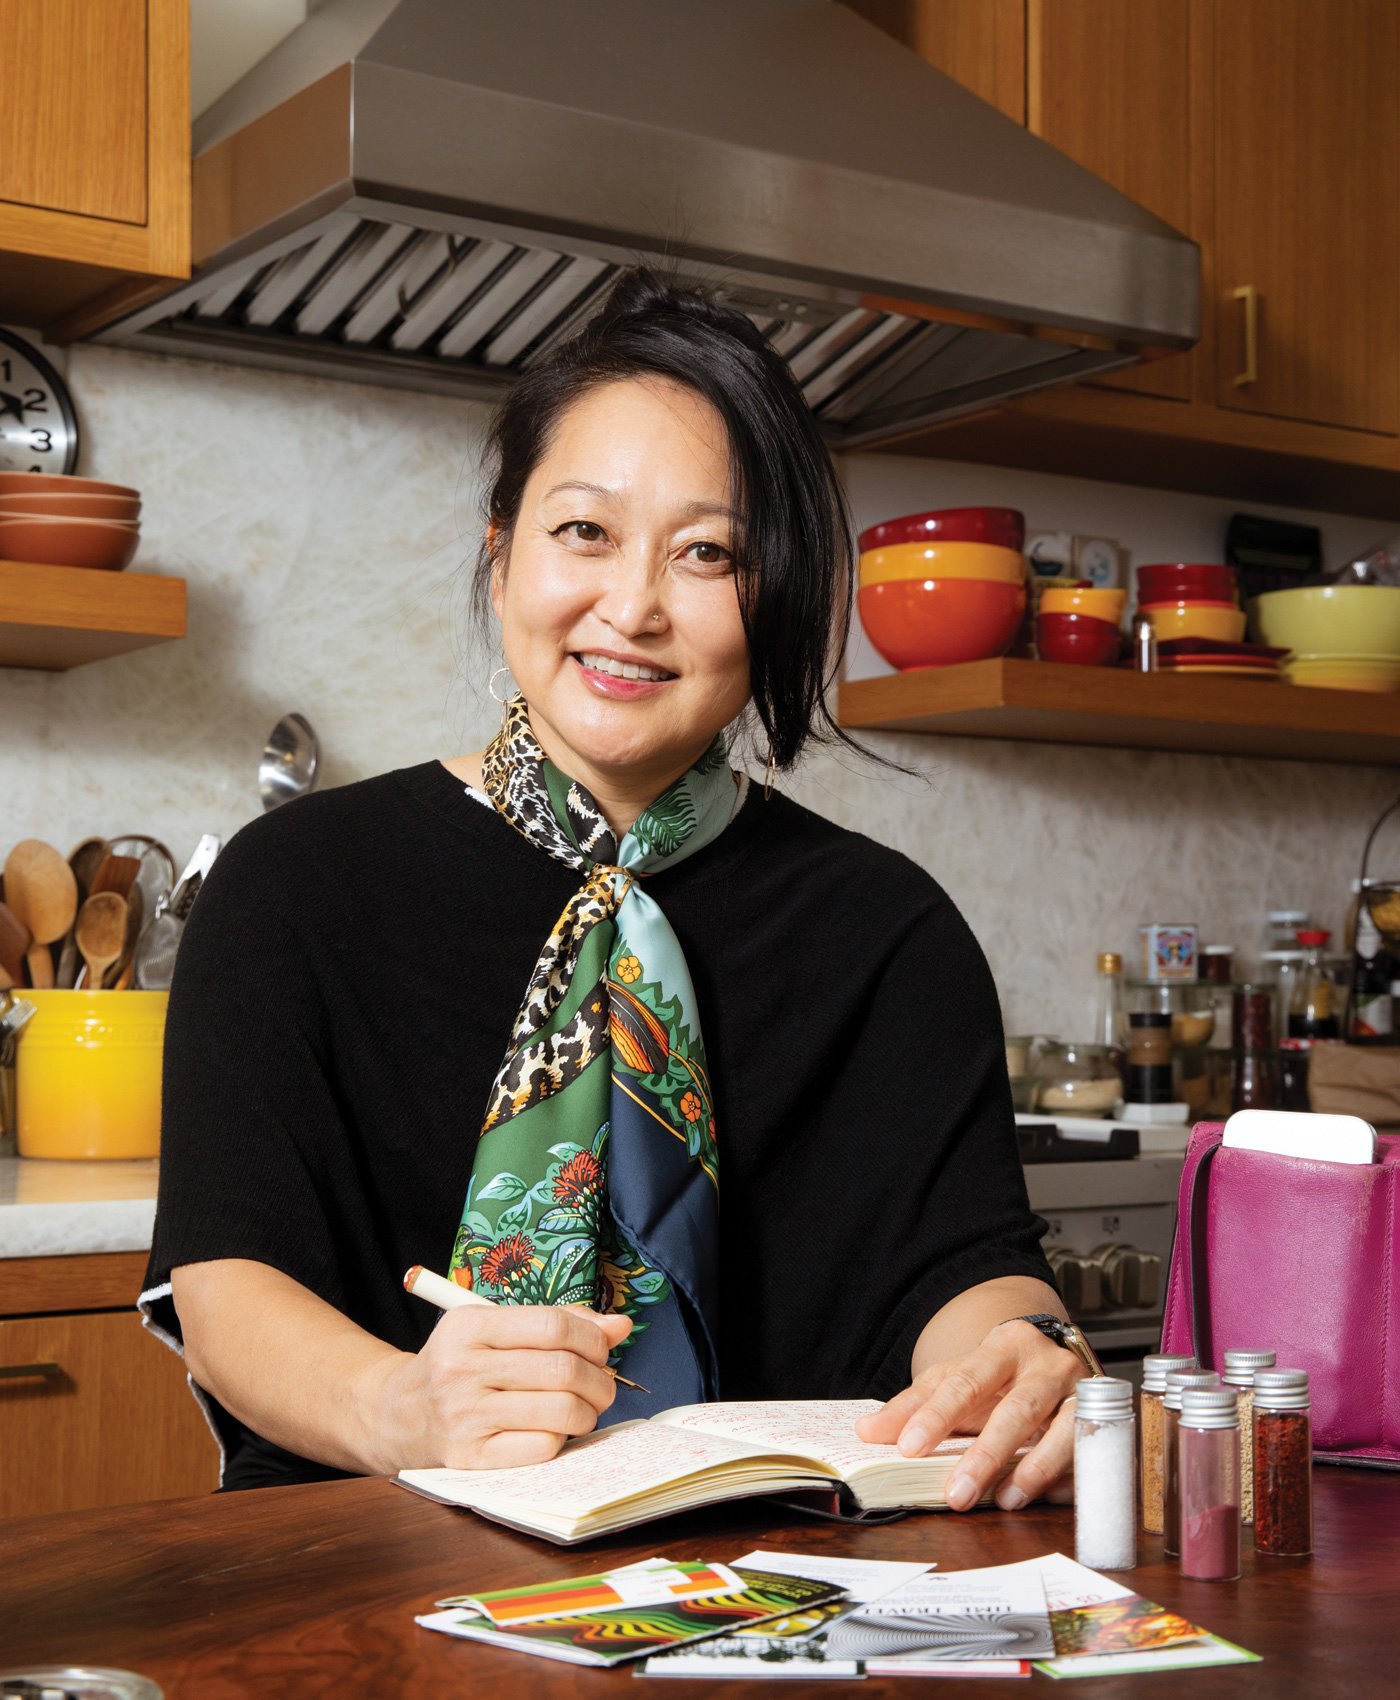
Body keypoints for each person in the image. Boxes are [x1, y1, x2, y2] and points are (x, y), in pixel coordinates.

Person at [142, 266, 1087, 1509]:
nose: (632, 606)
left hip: (774, 1580)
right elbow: (227, 1281)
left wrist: (1023, 1353)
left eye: (707, 553)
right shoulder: (294, 886)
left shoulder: (886, 930)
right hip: (361, 1566)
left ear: (774, 601)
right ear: (500, 562)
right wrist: (404, 1406)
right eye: (583, 532)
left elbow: (965, 1268)